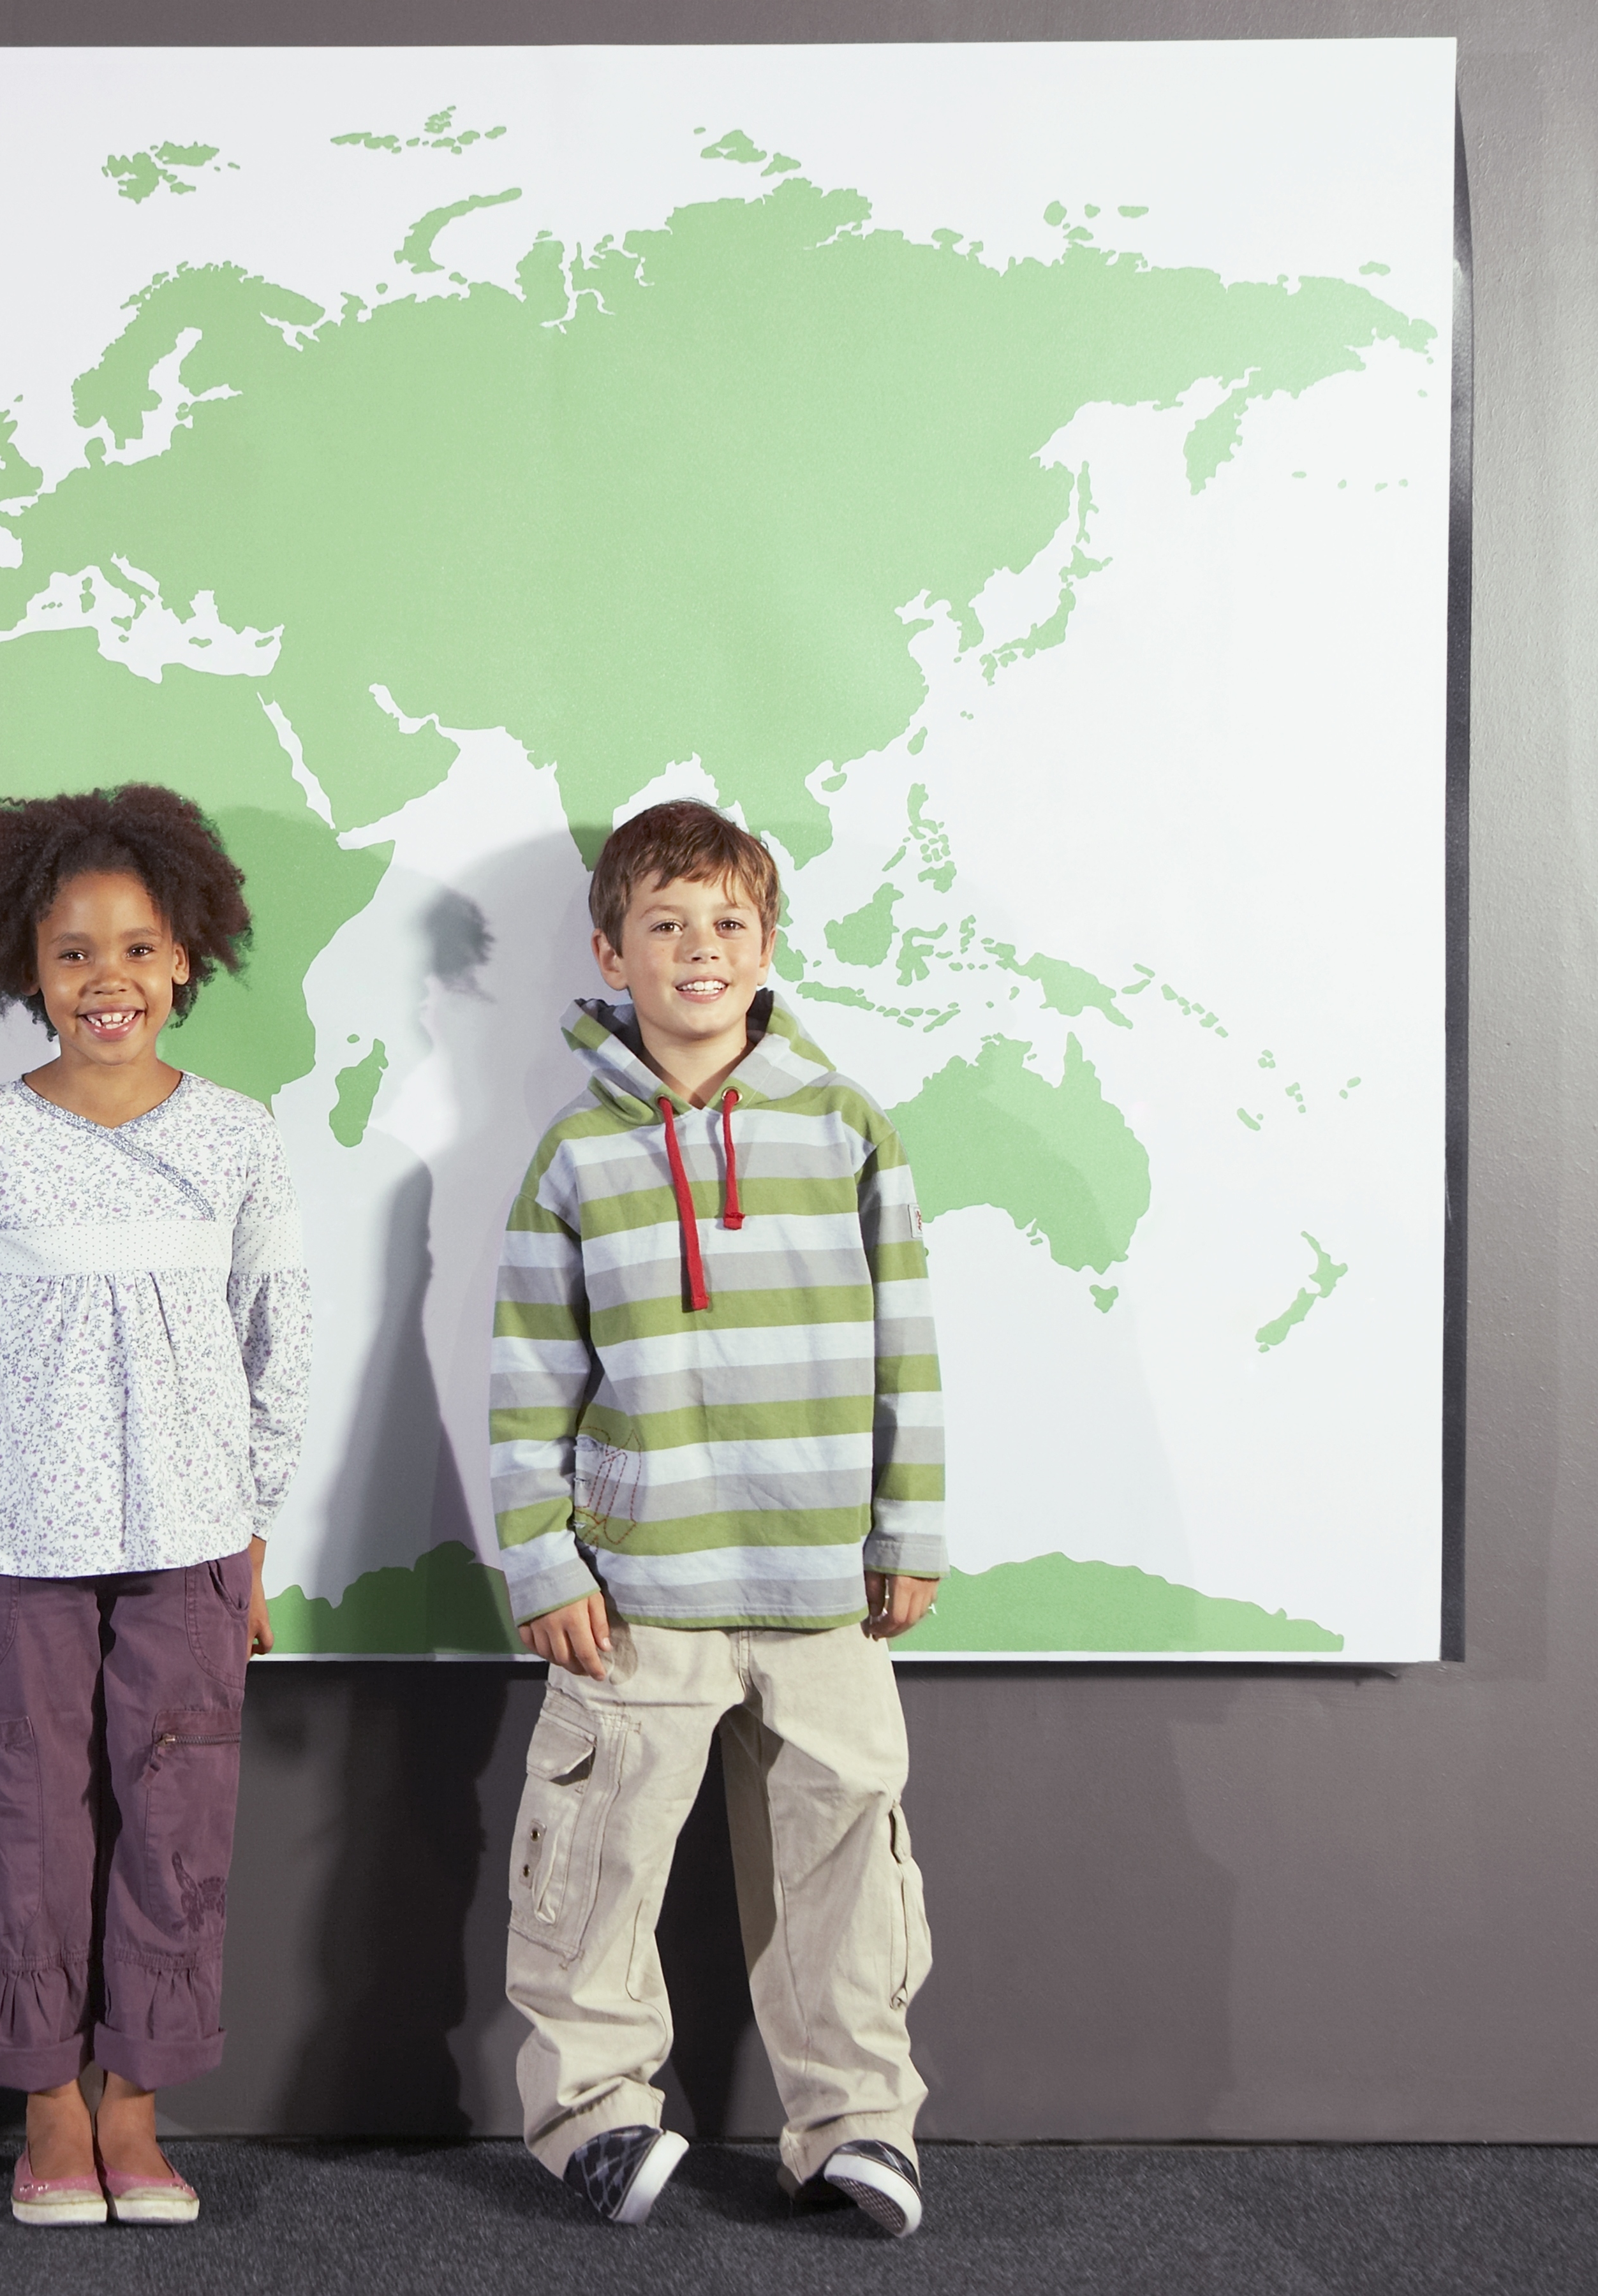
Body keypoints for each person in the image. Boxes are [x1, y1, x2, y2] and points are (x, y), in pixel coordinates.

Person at [489, 798, 945, 2239]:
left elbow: (909, 1348)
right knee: (599, 1865)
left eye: (728, 924)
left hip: (821, 1587)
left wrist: (907, 1531)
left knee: (846, 1865)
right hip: (638, 1590)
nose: (699, 950)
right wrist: (545, 1556)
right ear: (611, 951)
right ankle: (593, 2115)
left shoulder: (848, 1129)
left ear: (768, 948)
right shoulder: (574, 1158)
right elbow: (526, 1377)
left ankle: (859, 2126)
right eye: (665, 925)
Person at [0, 784, 309, 2230]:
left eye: (138, 950)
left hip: (196, 1540)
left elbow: (277, 1333)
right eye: (74, 953)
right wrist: (30, 1452)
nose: (108, 981)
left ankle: (138, 2108)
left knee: (178, 1817)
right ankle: (46, 2109)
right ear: (29, 968)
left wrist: (252, 1528)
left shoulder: (239, 1138)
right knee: (20, 1811)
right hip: (15, 1535)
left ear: (187, 959)